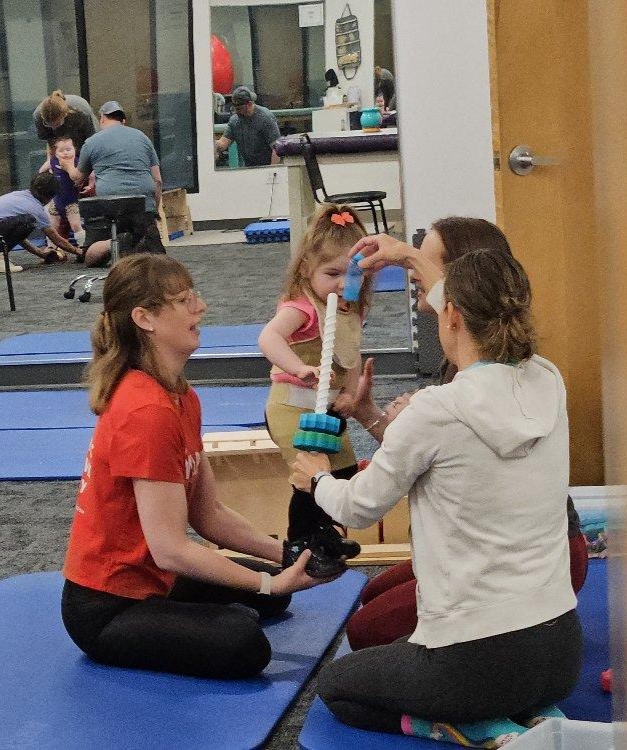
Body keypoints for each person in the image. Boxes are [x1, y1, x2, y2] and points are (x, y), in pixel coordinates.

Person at [292, 248, 581, 743]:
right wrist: (406, 255)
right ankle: (530, 711)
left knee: (337, 686)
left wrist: (318, 480)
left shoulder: (434, 409)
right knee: (390, 629)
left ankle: (471, 725)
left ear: (452, 316)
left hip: (473, 664)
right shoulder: (547, 379)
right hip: (560, 655)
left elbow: (359, 506)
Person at [60, 254, 337, 679]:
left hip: (158, 578)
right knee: (244, 643)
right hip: (107, 607)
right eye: (184, 300)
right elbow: (170, 548)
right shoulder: (145, 411)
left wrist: (288, 555)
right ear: (145, 319)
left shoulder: (182, 397)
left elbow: (209, 515)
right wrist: (269, 582)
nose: (201, 307)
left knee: (274, 595)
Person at [335, 218, 590, 651]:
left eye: (425, 263)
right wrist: (371, 417)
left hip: (532, 560)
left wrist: (404, 253)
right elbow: (433, 459)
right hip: (505, 548)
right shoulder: (487, 366)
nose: (414, 274)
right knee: (372, 593)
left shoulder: (505, 370)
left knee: (366, 631)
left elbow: (364, 502)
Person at [257, 204, 372, 578]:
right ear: (307, 269)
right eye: (332, 273)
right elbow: (268, 337)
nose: (342, 283)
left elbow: (351, 356)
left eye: (352, 274)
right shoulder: (303, 308)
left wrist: (351, 394)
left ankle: (323, 533)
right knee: (309, 478)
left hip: (328, 411)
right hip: (292, 408)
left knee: (343, 471)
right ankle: (300, 540)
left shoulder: (349, 310)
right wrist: (298, 367)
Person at [64, 100, 167, 267]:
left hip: (110, 205)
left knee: (90, 258)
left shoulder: (92, 142)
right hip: (142, 203)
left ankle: (115, 242)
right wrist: (153, 211)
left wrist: (67, 165)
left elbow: (78, 179)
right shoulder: (143, 137)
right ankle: (133, 242)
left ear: (102, 118)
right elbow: (158, 180)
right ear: (123, 121)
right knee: (155, 257)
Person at [0, 172, 79, 273]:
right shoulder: (35, 209)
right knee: (28, 221)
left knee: (24, 222)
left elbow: (15, 235)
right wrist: (78, 251)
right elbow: (56, 239)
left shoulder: (19, 195)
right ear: (50, 196)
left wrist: (40, 253)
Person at [215, 86, 282, 168]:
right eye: (235, 108)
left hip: (267, 165)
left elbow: (277, 148)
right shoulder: (235, 121)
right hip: (249, 166)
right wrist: (212, 144)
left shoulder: (265, 118)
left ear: (249, 104)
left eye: (239, 109)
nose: (237, 112)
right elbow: (223, 144)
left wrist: (272, 170)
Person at [43, 134, 85, 246]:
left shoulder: (77, 162)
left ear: (74, 150)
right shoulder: (53, 161)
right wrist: (48, 176)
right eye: (61, 151)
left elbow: (81, 176)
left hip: (71, 202)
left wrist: (69, 167)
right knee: (52, 227)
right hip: (56, 201)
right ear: (56, 153)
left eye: (68, 149)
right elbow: (41, 171)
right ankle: (52, 248)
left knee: (75, 225)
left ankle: (83, 246)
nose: (65, 153)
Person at [34, 90, 99, 153]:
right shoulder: (38, 116)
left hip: (84, 133)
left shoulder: (81, 112)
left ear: (65, 114)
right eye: (49, 125)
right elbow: (50, 141)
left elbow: (92, 141)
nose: (54, 128)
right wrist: (52, 159)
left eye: (57, 124)